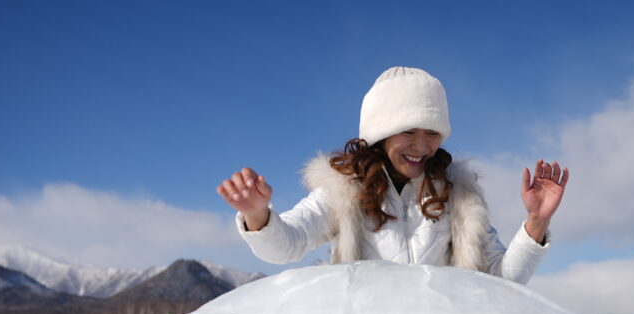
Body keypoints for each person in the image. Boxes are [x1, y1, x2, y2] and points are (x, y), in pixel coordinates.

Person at [217, 66, 568, 285]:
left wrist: (536, 222)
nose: (421, 146)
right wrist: (257, 216)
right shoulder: (344, 191)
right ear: (381, 134)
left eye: (432, 133)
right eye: (408, 131)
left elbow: (503, 279)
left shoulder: (459, 195)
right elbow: (286, 245)